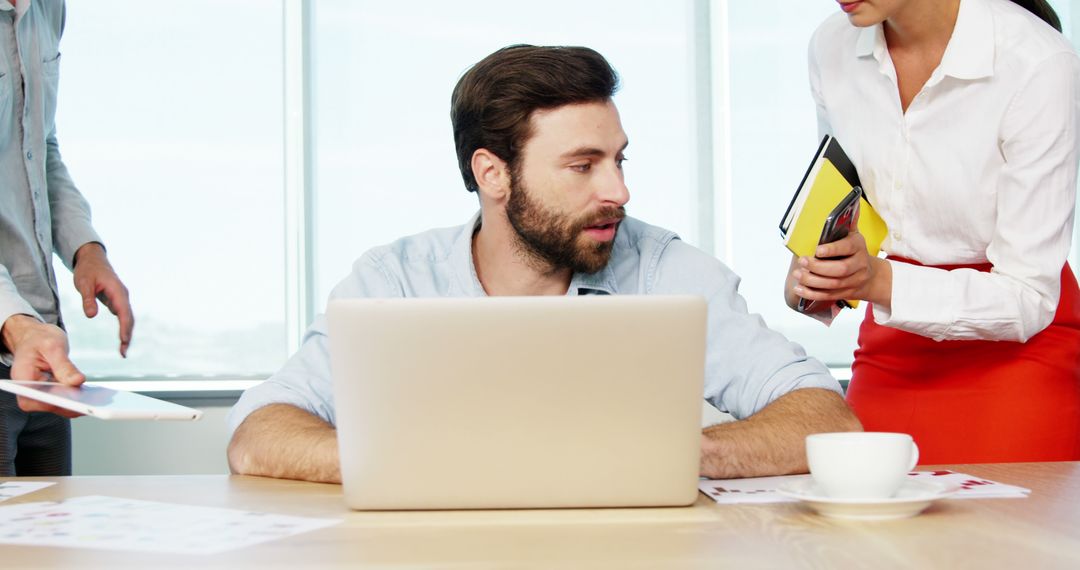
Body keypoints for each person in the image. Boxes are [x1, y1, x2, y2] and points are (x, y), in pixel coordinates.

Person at [227, 44, 861, 484]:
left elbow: (823, 413)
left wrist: (681, 455)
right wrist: (414, 463)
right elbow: (259, 432)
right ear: (492, 173)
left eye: (620, 159)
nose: (618, 190)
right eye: (583, 166)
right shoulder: (394, 279)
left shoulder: (664, 271)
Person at [785, 0, 1080, 463]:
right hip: (891, 344)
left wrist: (877, 281)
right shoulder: (831, 46)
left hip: (1016, 353)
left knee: (1003, 531)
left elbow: (1030, 295)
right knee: (856, 525)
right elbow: (847, 197)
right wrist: (816, 275)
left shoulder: (1038, 63)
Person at [1, 0, 134, 476]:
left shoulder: (46, 9)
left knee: (53, 544)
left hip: (38, 352)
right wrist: (16, 325)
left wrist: (85, 249)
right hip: (21, 336)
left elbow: (38, 144)